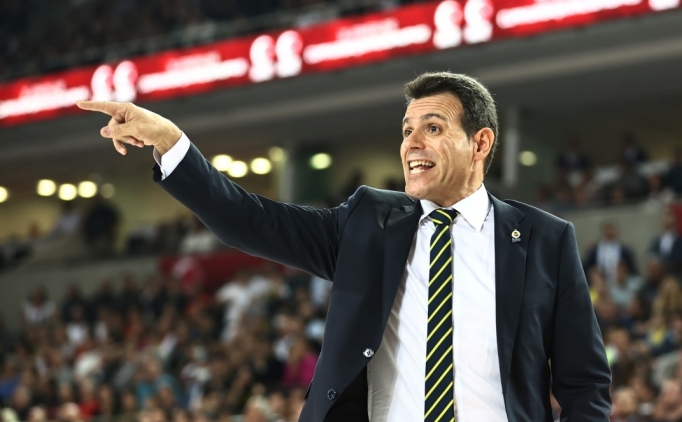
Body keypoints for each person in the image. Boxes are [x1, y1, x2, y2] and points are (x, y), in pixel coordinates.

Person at [77, 71, 611, 421]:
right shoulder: (368, 223)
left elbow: (585, 382)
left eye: (432, 128)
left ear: (481, 142)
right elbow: (248, 221)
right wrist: (173, 144)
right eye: (406, 130)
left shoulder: (544, 239)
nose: (411, 143)